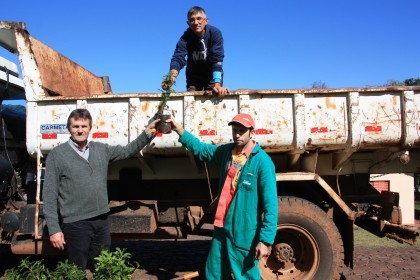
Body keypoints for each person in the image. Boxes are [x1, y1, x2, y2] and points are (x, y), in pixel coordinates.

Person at [43, 108, 159, 271]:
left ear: (90, 128)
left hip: (101, 220)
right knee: (76, 270)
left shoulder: (101, 150)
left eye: (84, 126)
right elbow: (49, 195)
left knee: (103, 267)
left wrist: (148, 133)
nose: (80, 130)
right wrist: (54, 229)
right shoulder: (57, 155)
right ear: (69, 128)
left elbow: (128, 150)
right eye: (76, 126)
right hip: (75, 223)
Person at [168, 113, 278, 279]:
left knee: (246, 275)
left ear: (252, 132)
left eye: (242, 130)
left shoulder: (262, 162)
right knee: (215, 273)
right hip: (221, 227)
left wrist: (266, 241)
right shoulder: (227, 152)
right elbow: (202, 150)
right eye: (235, 130)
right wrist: (180, 131)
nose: (237, 134)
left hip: (244, 231)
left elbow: (271, 206)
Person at [162, 6, 229, 96]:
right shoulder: (185, 38)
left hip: (212, 74)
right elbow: (178, 57)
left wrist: (217, 84)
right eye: (192, 20)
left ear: (206, 21)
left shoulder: (215, 33)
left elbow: (217, 58)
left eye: (199, 19)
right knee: (191, 100)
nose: (196, 22)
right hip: (194, 75)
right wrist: (171, 77)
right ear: (188, 23)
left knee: (213, 96)